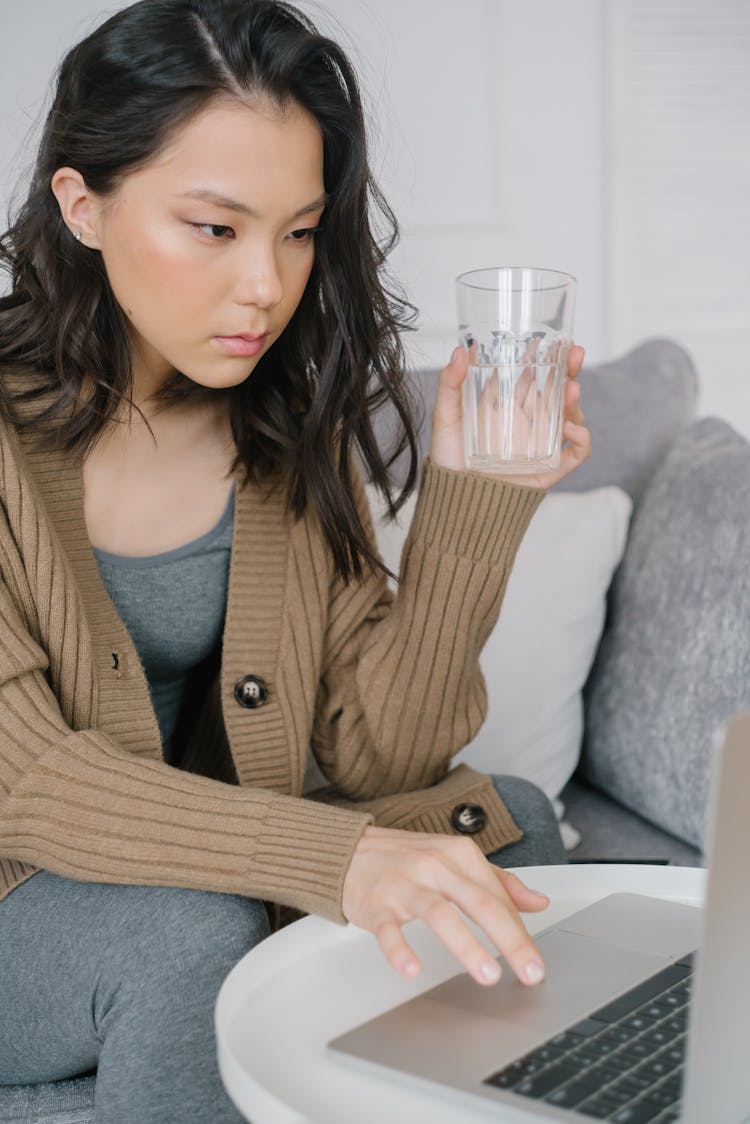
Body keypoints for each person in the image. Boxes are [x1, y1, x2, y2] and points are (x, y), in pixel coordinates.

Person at [0, 1, 591, 1120]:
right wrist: (332, 858)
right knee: (194, 934)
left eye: (300, 229)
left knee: (498, 828)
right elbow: (23, 779)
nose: (268, 286)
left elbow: (376, 751)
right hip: (26, 889)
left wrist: (475, 509)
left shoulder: (281, 424)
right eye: (215, 228)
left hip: (205, 852)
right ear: (83, 204)